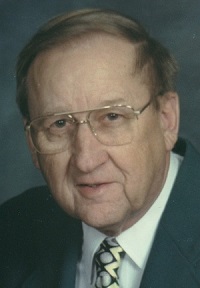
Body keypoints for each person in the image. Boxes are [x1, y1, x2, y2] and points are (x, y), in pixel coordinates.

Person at [0, 8, 200, 288]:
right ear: (32, 143)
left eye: (112, 117)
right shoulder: (10, 233)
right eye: (58, 124)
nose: (86, 160)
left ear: (167, 119)